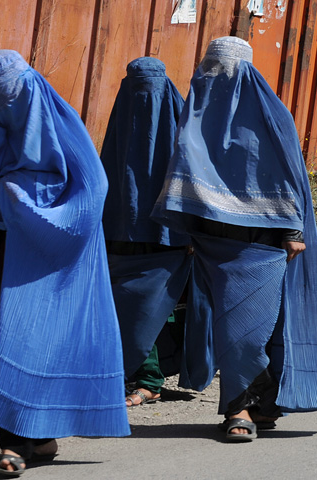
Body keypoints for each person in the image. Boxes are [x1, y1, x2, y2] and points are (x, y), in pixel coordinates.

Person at [0, 50, 130, 476]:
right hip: (1, 259)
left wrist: (25, 200)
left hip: (53, 262)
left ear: (30, 90)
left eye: (10, 99)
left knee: (42, 343)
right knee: (6, 341)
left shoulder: (61, 123)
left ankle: (30, 435)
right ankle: (19, 438)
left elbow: (92, 191)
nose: (2, 111)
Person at [151, 36, 317, 442]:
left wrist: (293, 231)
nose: (212, 76)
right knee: (228, 331)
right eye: (209, 66)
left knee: (248, 333)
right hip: (208, 243)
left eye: (221, 67)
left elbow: (291, 176)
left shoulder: (272, 116)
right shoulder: (198, 109)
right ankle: (254, 403)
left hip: (262, 245)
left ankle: (241, 408)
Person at [99, 57, 192, 407]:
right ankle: (137, 375)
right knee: (127, 308)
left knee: (150, 308)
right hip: (121, 233)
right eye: (138, 89)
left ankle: (150, 379)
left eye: (150, 89)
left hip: (168, 237)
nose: (144, 98)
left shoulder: (184, 132)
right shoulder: (120, 124)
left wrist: (191, 231)